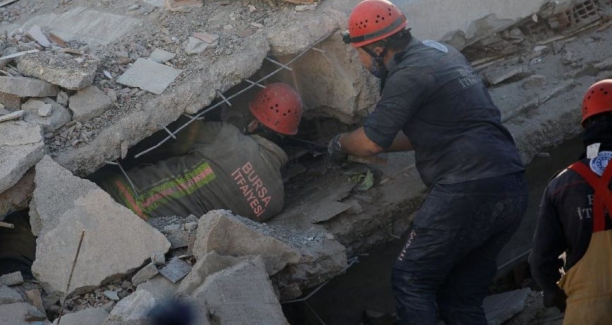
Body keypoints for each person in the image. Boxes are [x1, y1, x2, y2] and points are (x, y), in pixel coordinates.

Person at [327, 1, 529, 323]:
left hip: (465, 188)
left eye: (360, 52)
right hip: (511, 183)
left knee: (411, 280)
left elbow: (370, 142)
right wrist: (374, 144)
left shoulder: (407, 75)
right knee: (460, 298)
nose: (360, 61)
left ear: (379, 48)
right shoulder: (442, 52)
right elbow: (426, 134)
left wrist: (340, 142)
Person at [101, 83, 303, 223]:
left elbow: (171, 138)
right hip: (160, 241)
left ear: (253, 124)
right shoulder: (276, 202)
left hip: (122, 199)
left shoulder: (225, 137)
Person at [529, 79, 612, 323]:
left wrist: (562, 297)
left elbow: (541, 261)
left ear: (587, 126)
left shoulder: (561, 185)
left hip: (589, 310)